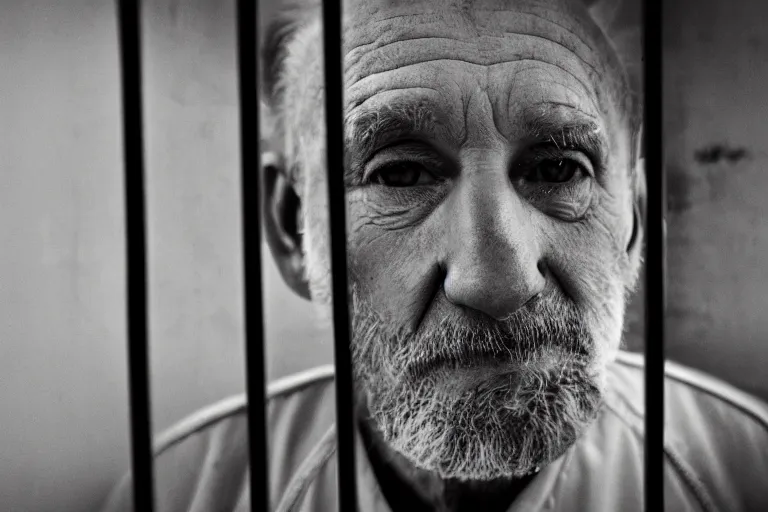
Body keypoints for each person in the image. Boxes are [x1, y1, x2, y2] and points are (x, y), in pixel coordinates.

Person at [102, 0, 768, 510]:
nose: (497, 280)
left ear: (635, 225)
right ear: (289, 228)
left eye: (561, 169)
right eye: (400, 175)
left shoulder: (741, 471)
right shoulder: (187, 490)